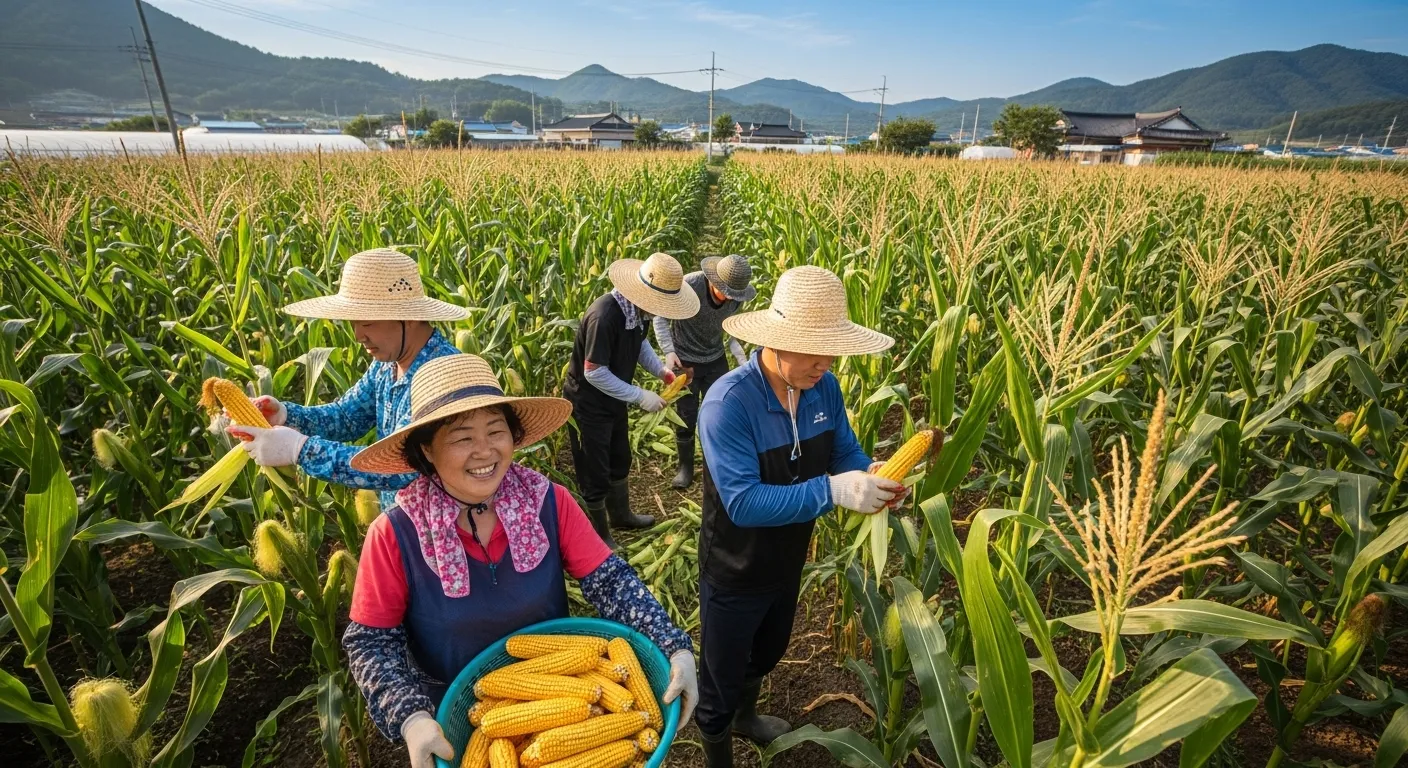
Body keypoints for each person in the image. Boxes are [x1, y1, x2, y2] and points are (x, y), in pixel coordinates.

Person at [340, 354, 698, 768]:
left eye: (496, 431)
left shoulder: (547, 502)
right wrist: (411, 717)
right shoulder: (395, 534)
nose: (485, 451)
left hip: (568, 696)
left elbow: (610, 581)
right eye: (462, 438)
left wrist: (674, 647)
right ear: (427, 450)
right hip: (466, 722)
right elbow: (371, 642)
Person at [694, 266, 906, 768]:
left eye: (833, 351)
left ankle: (747, 715)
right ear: (778, 341)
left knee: (767, 652)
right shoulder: (728, 405)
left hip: (787, 557)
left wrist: (870, 474)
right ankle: (718, 744)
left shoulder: (822, 388)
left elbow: (844, 452)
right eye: (816, 350)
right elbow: (744, 504)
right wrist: (834, 491)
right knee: (720, 676)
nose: (826, 364)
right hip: (735, 566)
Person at [224, 248, 464, 508]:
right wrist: (285, 415)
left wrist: (300, 450)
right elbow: (348, 417)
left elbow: (402, 466)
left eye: (368, 323)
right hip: (403, 529)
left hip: (441, 536)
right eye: (353, 323)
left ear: (409, 316)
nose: (358, 335)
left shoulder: (443, 373)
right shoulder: (387, 365)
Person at [562, 252, 700, 549]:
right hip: (588, 404)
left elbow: (640, 344)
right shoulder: (605, 316)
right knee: (594, 468)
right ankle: (600, 538)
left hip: (613, 399)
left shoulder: (637, 313)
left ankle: (621, 515)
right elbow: (594, 372)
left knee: (619, 456)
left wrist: (662, 373)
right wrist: (640, 396)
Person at [652, 254, 756, 490]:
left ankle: (716, 466)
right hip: (685, 361)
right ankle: (685, 468)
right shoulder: (690, 286)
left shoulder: (736, 297)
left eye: (734, 294)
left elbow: (730, 331)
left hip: (715, 358)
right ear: (713, 280)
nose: (729, 297)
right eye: (725, 291)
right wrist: (668, 351)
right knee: (686, 416)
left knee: (722, 412)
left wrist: (741, 358)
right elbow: (660, 317)